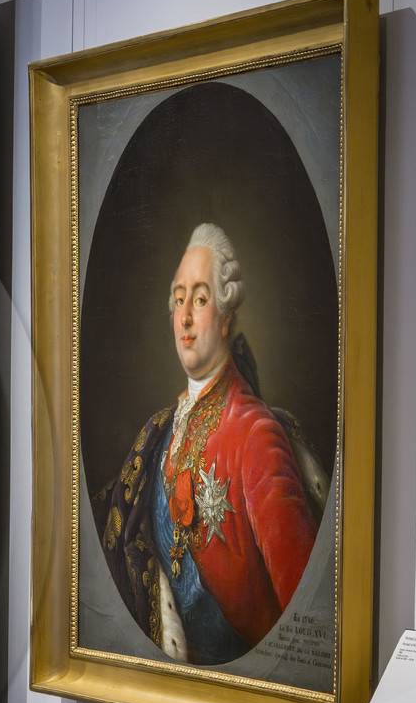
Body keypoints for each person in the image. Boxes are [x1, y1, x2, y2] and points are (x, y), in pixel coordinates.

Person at [96, 223, 318, 666]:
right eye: (179, 300)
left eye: (200, 299)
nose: (185, 318)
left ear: (226, 313)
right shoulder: (161, 429)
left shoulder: (255, 435)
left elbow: (305, 609)